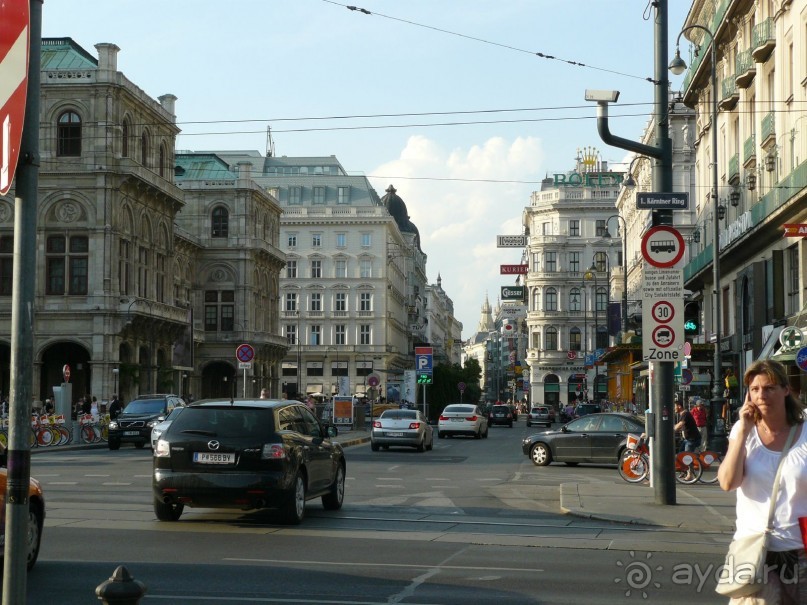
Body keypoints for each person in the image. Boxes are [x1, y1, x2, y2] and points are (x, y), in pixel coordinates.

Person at [718, 359, 807, 603]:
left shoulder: (805, 433)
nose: (761, 395)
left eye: (769, 388)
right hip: (754, 551)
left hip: (800, 551)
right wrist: (743, 433)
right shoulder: (743, 431)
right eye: (755, 389)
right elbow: (727, 482)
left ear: (785, 390)